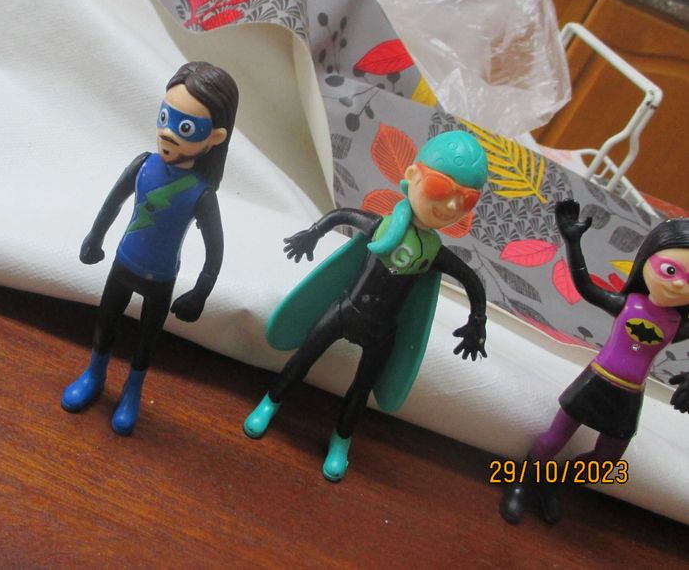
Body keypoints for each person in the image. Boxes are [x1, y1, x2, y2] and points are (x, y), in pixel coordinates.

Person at [245, 131, 489, 481]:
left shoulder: (433, 253)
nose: (451, 207)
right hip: (345, 310)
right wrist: (312, 234)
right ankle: (271, 402)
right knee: (302, 359)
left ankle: (341, 439)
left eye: (465, 199)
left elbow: (471, 280)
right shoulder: (382, 227)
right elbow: (341, 215)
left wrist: (477, 320)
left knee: (361, 391)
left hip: (382, 331)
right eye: (441, 188)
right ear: (412, 176)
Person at [62, 61, 239, 435]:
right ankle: (94, 374)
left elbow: (215, 250)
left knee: (146, 341)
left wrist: (201, 292)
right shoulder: (143, 165)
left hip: (161, 278)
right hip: (123, 263)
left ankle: (133, 391)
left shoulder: (201, 194)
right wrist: (94, 238)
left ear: (215, 137)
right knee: (105, 323)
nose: (167, 131)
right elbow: (112, 204)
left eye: (186, 127)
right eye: (165, 116)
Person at [500, 200, 689, 524]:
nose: (678, 284)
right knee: (553, 439)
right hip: (597, 380)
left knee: (606, 461)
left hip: (630, 395)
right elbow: (586, 287)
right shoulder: (628, 304)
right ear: (646, 260)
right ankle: (521, 484)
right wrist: (573, 241)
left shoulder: (676, 324)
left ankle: (552, 483)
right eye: (670, 271)